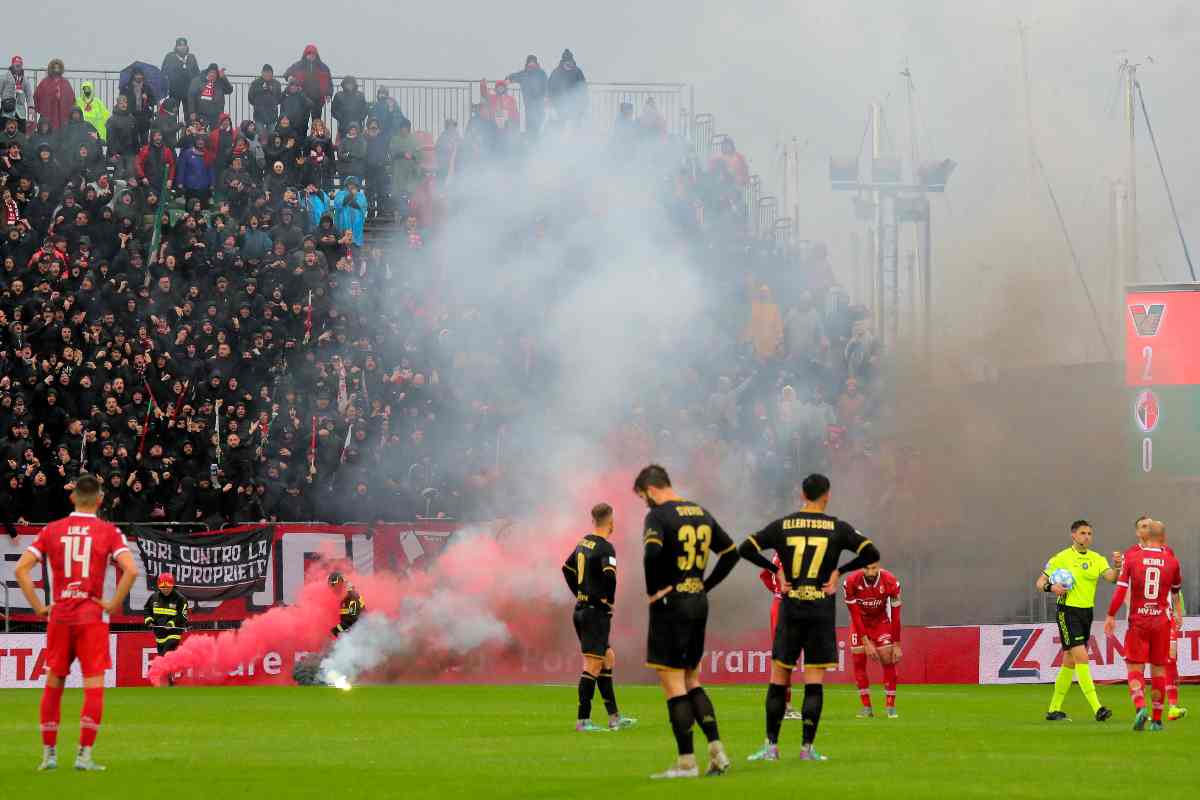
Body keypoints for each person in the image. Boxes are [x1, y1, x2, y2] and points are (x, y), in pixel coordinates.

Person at [737, 473, 881, 763]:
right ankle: (806, 749)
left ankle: (771, 747)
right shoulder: (836, 527)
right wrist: (840, 570)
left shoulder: (783, 525)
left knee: (779, 678)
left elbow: (745, 548)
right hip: (820, 611)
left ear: (802, 494)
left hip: (791, 609)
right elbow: (871, 552)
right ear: (826, 495)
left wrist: (775, 569)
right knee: (814, 681)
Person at [12, 474, 139, 772]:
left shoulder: (52, 530)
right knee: (93, 684)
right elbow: (131, 571)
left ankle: (49, 755)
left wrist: (40, 607)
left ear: (72, 498)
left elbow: (21, 569)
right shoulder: (108, 531)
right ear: (100, 500)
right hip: (91, 616)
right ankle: (84, 756)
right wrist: (112, 603)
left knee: (54, 682)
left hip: (60, 615)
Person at [635, 464, 739, 779]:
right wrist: (705, 584)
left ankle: (685, 762)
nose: (646, 504)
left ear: (651, 489)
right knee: (693, 679)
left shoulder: (658, 515)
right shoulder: (701, 512)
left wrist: (654, 592)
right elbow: (731, 552)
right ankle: (716, 750)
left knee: (673, 684)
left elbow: (652, 555)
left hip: (672, 604)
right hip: (697, 601)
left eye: (643, 497)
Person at [561, 502, 637, 732]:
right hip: (595, 613)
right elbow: (610, 577)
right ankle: (583, 720)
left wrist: (580, 593)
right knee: (592, 665)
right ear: (611, 522)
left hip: (582, 609)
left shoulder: (584, 542)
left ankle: (614, 717)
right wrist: (608, 601)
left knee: (607, 658)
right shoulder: (606, 548)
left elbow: (566, 568)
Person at [1036, 519, 1117, 722]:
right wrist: (1051, 588)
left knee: (1069, 661)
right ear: (1073, 535)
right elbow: (1040, 582)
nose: (1086, 537)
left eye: (1089, 533)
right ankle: (1098, 708)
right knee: (1081, 657)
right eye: (1082, 533)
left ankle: (1054, 709)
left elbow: (1112, 578)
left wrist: (1119, 567)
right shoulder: (1061, 558)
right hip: (1067, 612)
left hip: (1086, 613)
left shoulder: (1097, 559)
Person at [1105, 519, 1182, 731]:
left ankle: (1140, 707)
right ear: (1164, 539)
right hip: (1161, 622)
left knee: (1134, 668)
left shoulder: (1133, 558)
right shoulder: (1172, 561)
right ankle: (1157, 720)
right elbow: (1175, 591)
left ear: (1145, 537)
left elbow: (1120, 590)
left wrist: (1111, 614)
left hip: (1138, 620)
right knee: (1158, 670)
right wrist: (1177, 612)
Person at [1125, 516, 1187, 721]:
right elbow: (1124, 585)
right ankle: (1143, 710)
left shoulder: (1167, 553)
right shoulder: (1132, 555)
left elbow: (1174, 587)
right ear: (1137, 532)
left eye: (1149, 526)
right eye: (1143, 526)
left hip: (1165, 615)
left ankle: (1172, 706)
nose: (1147, 528)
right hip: (1141, 617)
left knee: (1170, 660)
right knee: (1140, 664)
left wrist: (1178, 610)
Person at [843, 560, 902, 717]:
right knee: (858, 660)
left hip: (880, 621)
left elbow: (896, 616)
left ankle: (890, 706)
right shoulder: (850, 582)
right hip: (860, 623)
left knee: (888, 658)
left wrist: (897, 644)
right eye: (866, 568)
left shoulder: (890, 581)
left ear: (879, 566)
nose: (870, 572)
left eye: (874, 568)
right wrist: (866, 642)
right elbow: (854, 614)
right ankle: (866, 707)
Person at [757, 554, 800, 720]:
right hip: (786, 606)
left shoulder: (779, 553)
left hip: (787, 604)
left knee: (786, 657)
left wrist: (775, 591)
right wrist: (778, 591)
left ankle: (782, 705)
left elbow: (765, 575)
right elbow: (766, 575)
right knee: (784, 657)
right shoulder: (787, 554)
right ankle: (784, 706)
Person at [142, 571, 189, 674]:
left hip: (174, 633)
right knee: (162, 655)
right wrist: (149, 620)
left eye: (168, 587)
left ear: (172, 586)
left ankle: (164, 674)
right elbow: (146, 609)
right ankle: (169, 677)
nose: (165, 590)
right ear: (159, 587)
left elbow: (183, 616)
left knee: (165, 654)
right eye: (162, 588)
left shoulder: (180, 599)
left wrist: (171, 623)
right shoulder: (154, 597)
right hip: (159, 634)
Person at [285, 45, 332, 137]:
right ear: (305, 55)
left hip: (318, 99)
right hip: (303, 98)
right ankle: (302, 143)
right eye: (309, 54)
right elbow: (287, 73)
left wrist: (329, 93)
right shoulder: (298, 65)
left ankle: (316, 142)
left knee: (317, 123)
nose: (311, 56)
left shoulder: (323, 67)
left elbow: (329, 81)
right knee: (302, 122)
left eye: (313, 54)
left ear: (316, 55)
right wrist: (289, 77)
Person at [507, 55, 547, 138]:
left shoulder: (541, 74)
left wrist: (546, 97)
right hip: (528, 104)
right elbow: (513, 76)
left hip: (539, 104)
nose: (531, 65)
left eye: (533, 63)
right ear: (527, 64)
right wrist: (508, 79)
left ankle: (539, 141)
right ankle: (530, 142)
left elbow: (546, 86)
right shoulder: (523, 74)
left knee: (539, 123)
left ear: (536, 64)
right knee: (529, 124)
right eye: (530, 63)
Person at [161, 37, 199, 121]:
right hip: (174, 91)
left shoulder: (191, 57)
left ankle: (188, 133)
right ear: (176, 47)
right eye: (180, 45)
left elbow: (197, 74)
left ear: (187, 46)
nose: (182, 47)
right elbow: (164, 71)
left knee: (189, 115)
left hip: (189, 91)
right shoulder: (170, 56)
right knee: (172, 114)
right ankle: (173, 132)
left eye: (184, 45)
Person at [547, 49, 588, 128]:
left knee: (574, 128)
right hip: (560, 106)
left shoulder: (577, 72)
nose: (568, 63)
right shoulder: (556, 72)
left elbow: (583, 88)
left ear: (572, 61)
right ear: (563, 62)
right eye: (566, 61)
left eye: (569, 61)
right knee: (561, 127)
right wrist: (552, 101)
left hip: (575, 106)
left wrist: (583, 104)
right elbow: (550, 87)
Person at [33, 59, 74, 132]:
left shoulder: (65, 82)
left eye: (58, 68)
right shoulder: (45, 82)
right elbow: (37, 96)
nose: (56, 70)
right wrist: (40, 109)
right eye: (54, 68)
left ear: (61, 69)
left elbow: (71, 98)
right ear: (51, 69)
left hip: (62, 115)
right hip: (48, 113)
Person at [0, 56, 34, 134]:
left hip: (20, 111)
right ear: (12, 65)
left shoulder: (25, 80)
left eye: (20, 65)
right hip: (6, 111)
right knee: (3, 133)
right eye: (16, 65)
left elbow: (29, 97)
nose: (18, 68)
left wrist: (31, 117)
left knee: (21, 133)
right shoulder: (4, 77)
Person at [331, 76, 368, 141]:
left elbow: (365, 109)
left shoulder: (360, 95)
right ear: (344, 85)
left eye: (351, 83)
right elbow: (333, 110)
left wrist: (360, 117)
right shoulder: (338, 95)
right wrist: (341, 118)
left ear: (354, 85)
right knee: (343, 144)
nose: (349, 85)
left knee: (357, 144)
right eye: (347, 83)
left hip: (357, 125)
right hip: (343, 125)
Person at [248, 64, 282, 134]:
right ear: (262, 73)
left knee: (271, 137)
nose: (267, 74)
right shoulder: (255, 83)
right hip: (259, 115)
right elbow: (250, 97)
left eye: (269, 72)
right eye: (265, 72)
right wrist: (261, 90)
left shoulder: (277, 84)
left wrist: (272, 92)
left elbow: (279, 98)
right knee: (260, 137)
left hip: (272, 115)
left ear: (272, 73)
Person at [329, 571, 364, 636]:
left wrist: (335, 631)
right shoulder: (345, 597)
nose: (332, 589)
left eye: (333, 585)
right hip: (353, 635)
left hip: (360, 636)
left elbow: (352, 620)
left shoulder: (352, 597)